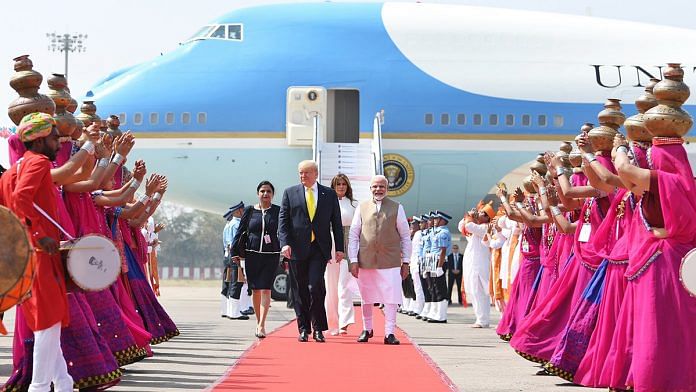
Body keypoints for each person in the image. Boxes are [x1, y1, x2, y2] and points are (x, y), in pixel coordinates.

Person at [0, 113, 73, 392]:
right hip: (40, 257)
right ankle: (40, 387)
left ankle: (63, 383)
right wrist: (41, 236)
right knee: (48, 324)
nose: (59, 143)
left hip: (24, 259)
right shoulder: (39, 162)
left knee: (46, 324)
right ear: (40, 140)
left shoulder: (11, 171)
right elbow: (21, 199)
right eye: (55, 138)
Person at [278, 160, 344, 343]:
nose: (302, 176)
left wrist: (339, 248)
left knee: (315, 287)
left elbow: (336, 224)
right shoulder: (290, 193)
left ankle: (318, 328)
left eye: (306, 173)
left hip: (319, 248)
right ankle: (303, 328)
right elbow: (283, 222)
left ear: (315, 173)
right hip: (296, 249)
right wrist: (284, 244)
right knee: (300, 291)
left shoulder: (328, 194)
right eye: (300, 173)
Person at [348, 175, 412, 344]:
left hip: (390, 260)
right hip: (366, 259)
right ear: (370, 188)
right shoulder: (361, 207)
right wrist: (353, 259)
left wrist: (406, 261)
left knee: (391, 298)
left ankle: (389, 333)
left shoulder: (397, 208)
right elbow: (354, 234)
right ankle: (367, 329)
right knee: (366, 297)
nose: (378, 189)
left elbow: (405, 236)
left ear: (387, 188)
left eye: (382, 186)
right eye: (375, 186)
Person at [232, 181, 281, 338]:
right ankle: (258, 321)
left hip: (271, 255)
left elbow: (284, 231)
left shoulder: (278, 211)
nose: (265, 194)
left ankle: (262, 325)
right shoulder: (249, 211)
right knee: (255, 289)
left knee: (266, 288)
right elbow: (240, 232)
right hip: (252, 255)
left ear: (272, 194)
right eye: (262, 191)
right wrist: (234, 251)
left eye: (268, 191)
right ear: (258, 193)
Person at [324, 173, 357, 335]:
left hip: (348, 244)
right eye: (338, 184)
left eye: (344, 184)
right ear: (333, 187)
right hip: (330, 243)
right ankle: (332, 323)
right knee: (330, 286)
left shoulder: (353, 205)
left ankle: (345, 321)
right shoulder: (326, 203)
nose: (341, 187)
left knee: (344, 286)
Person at [459, 202, 495, 328]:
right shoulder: (475, 227)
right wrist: (470, 215)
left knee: (481, 292)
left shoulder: (486, 227)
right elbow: (461, 226)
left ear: (487, 218)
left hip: (481, 265)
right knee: (474, 291)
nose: (479, 214)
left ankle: (483, 320)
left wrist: (471, 217)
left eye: (482, 214)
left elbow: (468, 226)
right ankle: (480, 318)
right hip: (472, 264)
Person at [221, 202, 248, 320]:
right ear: (238, 211)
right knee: (236, 283)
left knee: (228, 283)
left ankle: (226, 310)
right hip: (235, 257)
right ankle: (234, 312)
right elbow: (237, 243)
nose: (244, 212)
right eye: (242, 210)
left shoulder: (229, 224)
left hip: (227, 256)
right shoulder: (237, 225)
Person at [427, 211, 452, 323]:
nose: (435, 221)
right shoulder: (437, 232)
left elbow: (443, 251)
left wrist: (439, 267)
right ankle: (436, 313)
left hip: (439, 261)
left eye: (437, 219)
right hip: (433, 261)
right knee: (434, 287)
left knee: (440, 288)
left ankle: (442, 316)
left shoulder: (443, 233)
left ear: (443, 221)